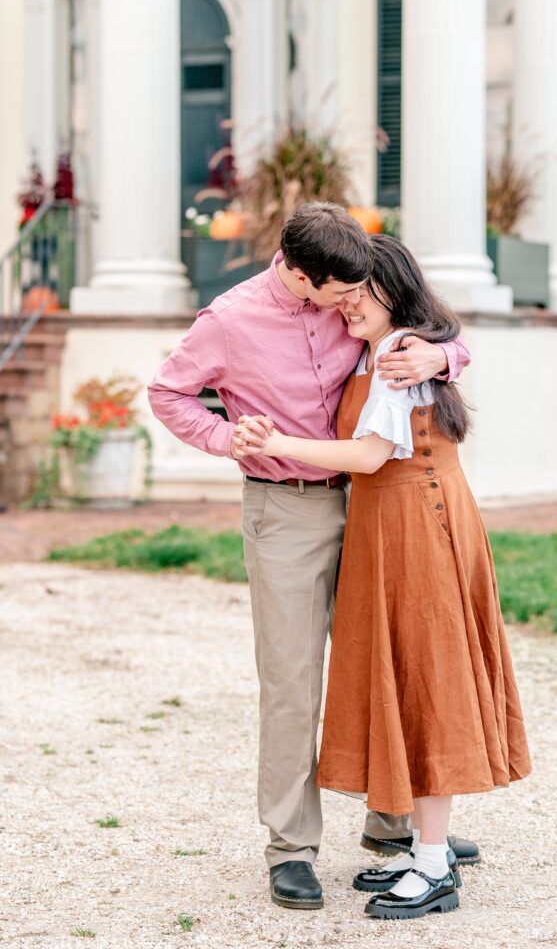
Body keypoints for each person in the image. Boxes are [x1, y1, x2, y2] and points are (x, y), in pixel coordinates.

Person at [147, 202, 479, 912]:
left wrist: (444, 353)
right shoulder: (228, 321)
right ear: (299, 277)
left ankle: (395, 824)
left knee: (379, 662)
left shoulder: (351, 289)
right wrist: (222, 437)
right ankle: (291, 849)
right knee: (294, 681)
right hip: (286, 507)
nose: (351, 302)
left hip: (371, 504)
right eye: (338, 292)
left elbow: (422, 320)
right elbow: (167, 393)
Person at [235, 234, 532, 921]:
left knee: (427, 679)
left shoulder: (400, 355)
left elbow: (370, 455)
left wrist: (275, 443)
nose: (342, 308)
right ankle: (420, 849)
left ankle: (431, 864)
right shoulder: (395, 348)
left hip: (414, 528)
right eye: (337, 295)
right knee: (407, 675)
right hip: (400, 525)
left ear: (389, 289)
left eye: (355, 296)